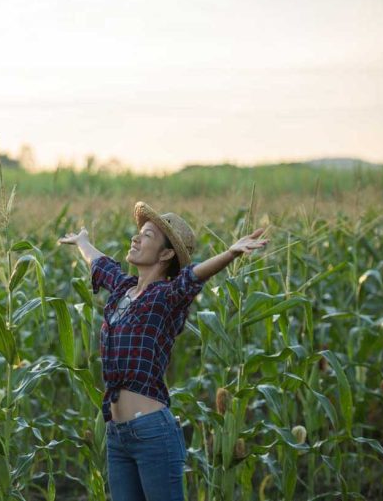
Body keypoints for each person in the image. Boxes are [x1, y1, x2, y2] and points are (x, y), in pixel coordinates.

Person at [58, 201, 269, 501]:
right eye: (138, 233)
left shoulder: (165, 298)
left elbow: (193, 277)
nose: (135, 238)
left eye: (147, 235)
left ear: (166, 253)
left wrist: (231, 253)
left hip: (152, 433)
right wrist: (83, 242)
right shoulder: (123, 289)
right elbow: (100, 264)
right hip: (117, 435)